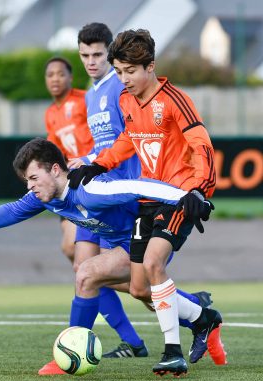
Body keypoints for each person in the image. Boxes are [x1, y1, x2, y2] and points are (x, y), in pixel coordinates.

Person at [0, 138, 219, 377]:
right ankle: (201, 317)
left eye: (34, 177)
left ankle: (69, 353)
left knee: (87, 273)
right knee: (140, 291)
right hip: (123, 248)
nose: (30, 186)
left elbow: (137, 186)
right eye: (26, 180)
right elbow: (10, 211)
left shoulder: (89, 189)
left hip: (146, 236)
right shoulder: (45, 197)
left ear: (54, 170)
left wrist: (189, 196)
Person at [68, 29, 226, 376]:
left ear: (150, 67)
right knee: (140, 288)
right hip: (148, 198)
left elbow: (202, 146)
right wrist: (98, 164)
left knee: (154, 262)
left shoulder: (174, 99)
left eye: (131, 72)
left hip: (180, 195)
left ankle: (172, 352)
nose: (124, 80)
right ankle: (204, 318)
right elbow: (128, 139)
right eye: (120, 72)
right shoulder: (126, 101)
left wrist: (200, 190)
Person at [67, 22, 147, 360]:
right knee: (85, 272)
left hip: (121, 195)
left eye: (97, 54)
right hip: (97, 188)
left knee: (137, 280)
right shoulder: (91, 94)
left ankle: (189, 307)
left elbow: (126, 141)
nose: (91, 61)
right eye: (85, 55)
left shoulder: (121, 86)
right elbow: (103, 144)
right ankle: (132, 340)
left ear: (109, 52)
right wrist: (83, 160)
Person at [44, 56, 93, 263]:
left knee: (82, 259)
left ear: (71, 78)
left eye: (61, 74)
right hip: (72, 186)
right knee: (71, 251)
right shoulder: (50, 114)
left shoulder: (84, 100)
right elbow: (55, 153)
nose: (55, 79)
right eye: (50, 75)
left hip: (93, 178)